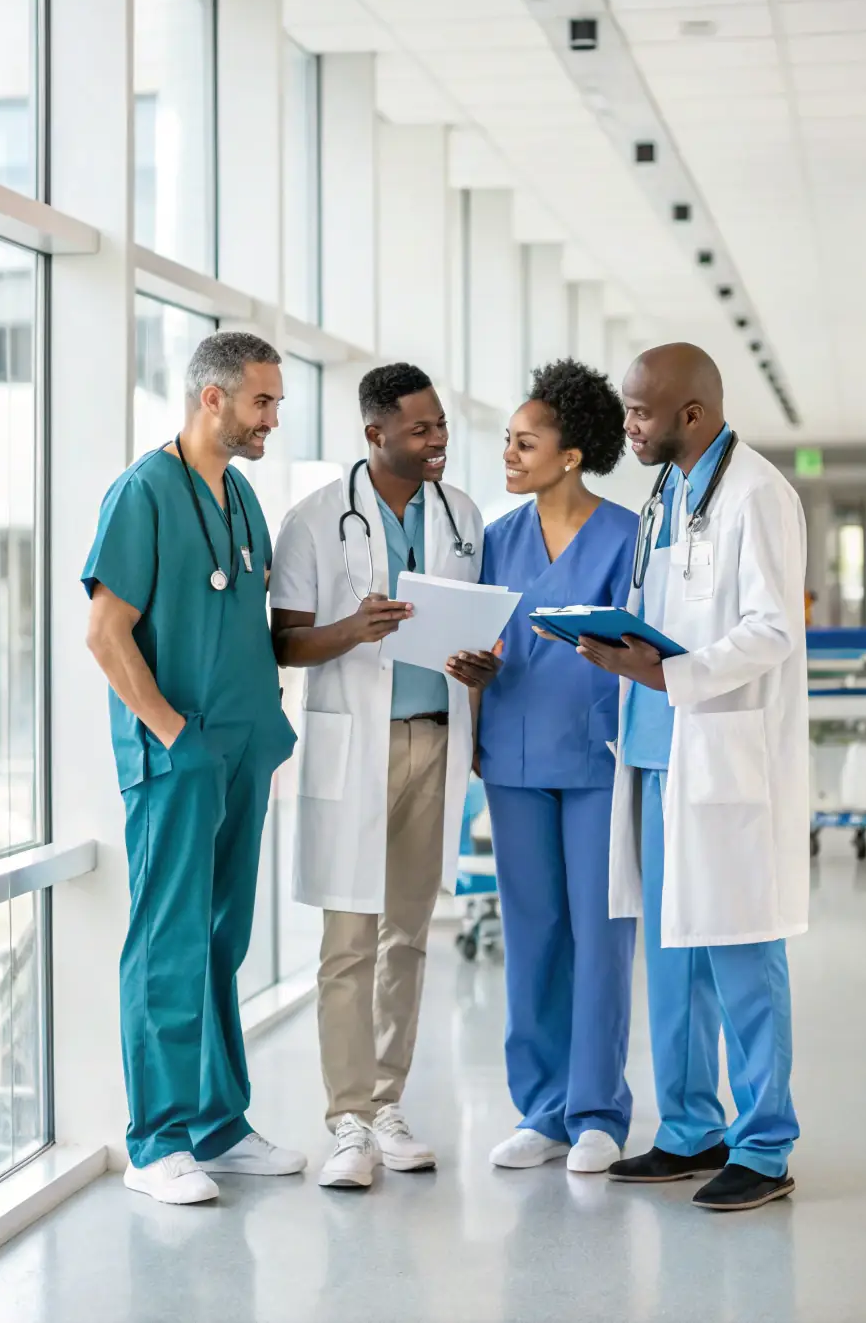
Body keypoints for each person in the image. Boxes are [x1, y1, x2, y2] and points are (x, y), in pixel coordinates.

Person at [83, 332, 304, 1206]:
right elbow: (106, 635)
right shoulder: (143, 492)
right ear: (212, 398)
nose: (273, 419)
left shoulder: (241, 494)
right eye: (262, 402)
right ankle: (156, 1139)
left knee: (222, 938)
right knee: (168, 942)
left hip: (243, 747)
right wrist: (175, 733)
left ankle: (218, 1123)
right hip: (178, 754)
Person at [587, 342, 807, 1211]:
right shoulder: (666, 494)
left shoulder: (758, 493)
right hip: (653, 748)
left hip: (717, 750)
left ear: (692, 413)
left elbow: (771, 630)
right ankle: (688, 1128)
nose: (629, 425)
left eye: (641, 412)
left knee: (740, 949)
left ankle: (764, 1142)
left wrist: (664, 674)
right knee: (673, 952)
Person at [270, 363, 493, 1191]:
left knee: (408, 934)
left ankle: (391, 1104)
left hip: (437, 739)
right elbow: (284, 641)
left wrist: (482, 664)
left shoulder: (461, 515)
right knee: (348, 943)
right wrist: (352, 629)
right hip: (354, 744)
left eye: (440, 425)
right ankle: (347, 1120)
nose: (438, 440)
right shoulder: (316, 519)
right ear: (376, 434)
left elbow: (476, 622)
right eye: (421, 428)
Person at [476, 358, 639, 1175]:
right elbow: (477, 642)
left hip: (597, 755)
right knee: (533, 932)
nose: (509, 453)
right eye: (507, 440)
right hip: (512, 754)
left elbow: (643, 647)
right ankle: (541, 1109)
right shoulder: (497, 542)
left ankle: (598, 1109)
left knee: (601, 932)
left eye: (525, 442)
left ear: (571, 455)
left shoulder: (625, 537)